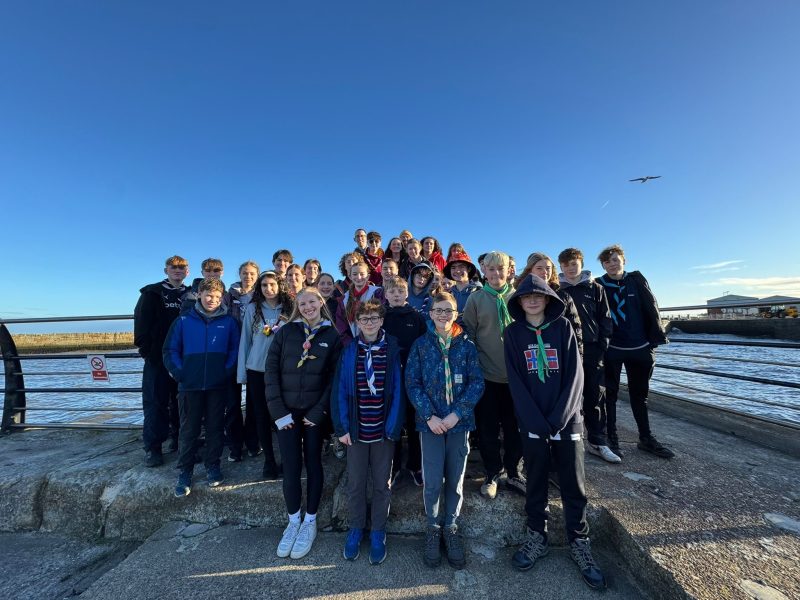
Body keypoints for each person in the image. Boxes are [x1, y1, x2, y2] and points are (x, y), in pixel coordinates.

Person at [504, 274, 606, 590]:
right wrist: (534, 421)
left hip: (566, 419)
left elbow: (576, 374)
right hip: (532, 421)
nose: (533, 300)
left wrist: (561, 417)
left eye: (539, 295)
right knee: (535, 479)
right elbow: (515, 380)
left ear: (548, 299)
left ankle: (579, 540)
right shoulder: (512, 333)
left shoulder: (562, 328)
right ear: (519, 302)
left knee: (573, 482)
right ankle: (537, 534)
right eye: (526, 296)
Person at [406, 291, 484, 570]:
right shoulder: (421, 345)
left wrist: (455, 414)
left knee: (455, 477)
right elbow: (412, 383)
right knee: (432, 480)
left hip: (458, 424)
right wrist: (429, 416)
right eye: (438, 310)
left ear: (456, 313)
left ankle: (450, 526)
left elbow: (477, 382)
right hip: (430, 425)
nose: (443, 315)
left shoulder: (466, 345)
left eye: (448, 310)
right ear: (430, 313)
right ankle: (433, 526)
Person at [266, 287, 343, 559]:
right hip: (286, 413)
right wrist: (278, 411)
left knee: (313, 463)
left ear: (321, 303)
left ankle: (310, 521)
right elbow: (271, 372)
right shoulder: (286, 332)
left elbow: (334, 378)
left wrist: (319, 411)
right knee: (290, 466)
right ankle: (293, 521)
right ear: (297, 307)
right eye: (303, 304)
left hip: (313, 414)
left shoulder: (332, 336)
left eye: (312, 302)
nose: (308, 307)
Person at [331, 299, 404, 565]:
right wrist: (342, 427)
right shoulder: (350, 350)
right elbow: (339, 390)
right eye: (364, 319)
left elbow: (398, 391)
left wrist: (393, 427)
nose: (369, 323)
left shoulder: (392, 349)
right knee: (356, 483)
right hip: (357, 430)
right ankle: (356, 527)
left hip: (383, 430)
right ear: (357, 323)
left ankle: (378, 531)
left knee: (382, 485)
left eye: (374, 318)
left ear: (382, 321)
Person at [164, 278, 240, 498]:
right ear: (199, 295)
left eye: (217, 297)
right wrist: (181, 373)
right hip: (190, 386)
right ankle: (185, 471)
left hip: (217, 385)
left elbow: (235, 350)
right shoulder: (183, 321)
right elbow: (170, 350)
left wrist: (225, 371)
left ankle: (213, 466)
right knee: (189, 429)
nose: (212, 300)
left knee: (215, 428)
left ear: (222, 298)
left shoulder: (229, 322)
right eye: (208, 295)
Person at [596, 245, 674, 459]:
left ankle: (646, 438)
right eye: (607, 261)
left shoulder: (636, 280)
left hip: (640, 347)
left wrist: (653, 339)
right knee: (609, 396)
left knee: (640, 395)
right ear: (603, 265)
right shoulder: (598, 285)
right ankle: (611, 438)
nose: (612, 264)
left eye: (615, 259)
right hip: (612, 348)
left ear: (624, 260)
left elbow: (651, 306)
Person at [462, 250, 524, 499]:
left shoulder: (519, 297)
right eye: (491, 269)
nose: (496, 273)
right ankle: (492, 473)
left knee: (515, 427)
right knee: (488, 429)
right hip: (486, 375)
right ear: (484, 271)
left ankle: (514, 471)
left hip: (517, 377)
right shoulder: (475, 299)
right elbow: (469, 334)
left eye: (501, 268)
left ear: (509, 270)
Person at [558, 248, 618, 464]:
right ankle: (566, 439)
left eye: (574, 264)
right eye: (565, 265)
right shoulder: (556, 290)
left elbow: (605, 317)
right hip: (565, 350)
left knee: (595, 395)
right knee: (566, 396)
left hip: (592, 349)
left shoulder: (596, 288)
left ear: (581, 264)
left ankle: (598, 440)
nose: (570, 268)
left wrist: (603, 343)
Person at [134, 255, 189, 467]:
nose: (177, 270)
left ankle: (181, 441)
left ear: (187, 271)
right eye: (173, 267)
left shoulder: (191, 294)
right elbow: (141, 325)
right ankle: (153, 447)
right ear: (166, 270)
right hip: (157, 358)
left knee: (182, 403)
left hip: (183, 358)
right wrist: (148, 352)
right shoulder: (152, 293)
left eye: (182, 267)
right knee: (155, 402)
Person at [237, 271, 292, 479]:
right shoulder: (253, 309)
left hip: (282, 372)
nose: (268, 289)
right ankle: (269, 460)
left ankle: (287, 458)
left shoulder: (289, 308)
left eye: (272, 284)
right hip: (257, 370)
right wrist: (242, 374)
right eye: (264, 285)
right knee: (260, 415)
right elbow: (245, 340)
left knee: (283, 415)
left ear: (280, 286)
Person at [382, 277, 427, 485]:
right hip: (388, 377)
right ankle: (394, 466)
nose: (396, 295)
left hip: (412, 376)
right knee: (393, 421)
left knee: (414, 420)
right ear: (386, 294)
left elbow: (424, 345)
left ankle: (415, 465)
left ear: (407, 293)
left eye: (400, 291)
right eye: (392, 291)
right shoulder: (382, 316)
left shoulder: (416, 317)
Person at [225, 260, 260, 460]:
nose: (248, 276)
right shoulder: (230, 296)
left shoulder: (261, 295)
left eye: (252, 273)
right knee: (232, 403)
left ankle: (253, 442)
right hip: (233, 352)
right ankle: (235, 445)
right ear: (239, 274)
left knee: (254, 403)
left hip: (254, 352)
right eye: (245, 273)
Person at [517, 253, 584, 356]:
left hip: (560, 353)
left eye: (548, 268)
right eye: (539, 268)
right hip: (529, 352)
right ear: (530, 270)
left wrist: (578, 356)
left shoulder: (563, 296)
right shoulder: (519, 295)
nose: (545, 272)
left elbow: (575, 328)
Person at [334, 261, 384, 346]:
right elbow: (340, 324)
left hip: (376, 342)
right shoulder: (344, 298)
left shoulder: (377, 293)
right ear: (350, 276)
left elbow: (382, 316)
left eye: (362, 274)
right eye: (355, 274)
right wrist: (350, 343)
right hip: (352, 343)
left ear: (368, 276)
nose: (358, 277)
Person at [443, 251, 481, 325]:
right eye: (453, 268)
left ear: (468, 269)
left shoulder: (479, 293)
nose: (457, 271)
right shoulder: (447, 295)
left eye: (461, 266)